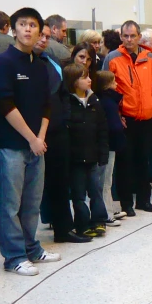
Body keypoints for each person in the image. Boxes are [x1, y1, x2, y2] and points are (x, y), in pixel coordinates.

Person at [0, 7, 61, 276]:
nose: (28, 29)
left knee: (33, 201)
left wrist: (40, 139)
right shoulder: (4, 63)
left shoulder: (40, 66)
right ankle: (14, 256)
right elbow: (6, 105)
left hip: (36, 145)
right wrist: (31, 138)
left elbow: (46, 105)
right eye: (23, 24)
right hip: (10, 145)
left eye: (33, 25)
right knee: (10, 204)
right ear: (13, 28)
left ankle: (32, 248)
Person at [35, 24, 90, 244]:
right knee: (33, 188)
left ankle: (63, 228)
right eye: (41, 35)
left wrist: (65, 120)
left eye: (47, 37)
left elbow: (63, 94)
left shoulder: (52, 62)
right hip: (32, 133)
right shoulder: (19, 63)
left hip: (57, 130)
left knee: (60, 182)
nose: (43, 40)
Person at [102, 20, 152, 215]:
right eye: (125, 36)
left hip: (146, 117)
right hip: (125, 118)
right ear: (121, 37)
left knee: (143, 160)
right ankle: (126, 203)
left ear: (138, 37)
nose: (129, 39)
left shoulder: (149, 57)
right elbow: (104, 87)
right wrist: (116, 113)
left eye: (132, 36)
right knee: (124, 162)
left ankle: (144, 200)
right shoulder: (113, 58)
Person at [63, 63, 109, 237]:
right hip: (75, 158)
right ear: (74, 81)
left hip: (93, 155)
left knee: (96, 190)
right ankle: (82, 223)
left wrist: (103, 153)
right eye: (85, 77)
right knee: (78, 194)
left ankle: (99, 220)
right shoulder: (67, 102)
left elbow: (102, 129)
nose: (90, 80)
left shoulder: (94, 101)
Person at [95, 70, 128, 225]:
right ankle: (106, 213)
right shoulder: (107, 102)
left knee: (108, 178)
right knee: (105, 180)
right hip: (108, 144)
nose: (116, 84)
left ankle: (109, 207)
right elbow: (112, 126)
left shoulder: (109, 101)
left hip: (110, 144)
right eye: (114, 81)